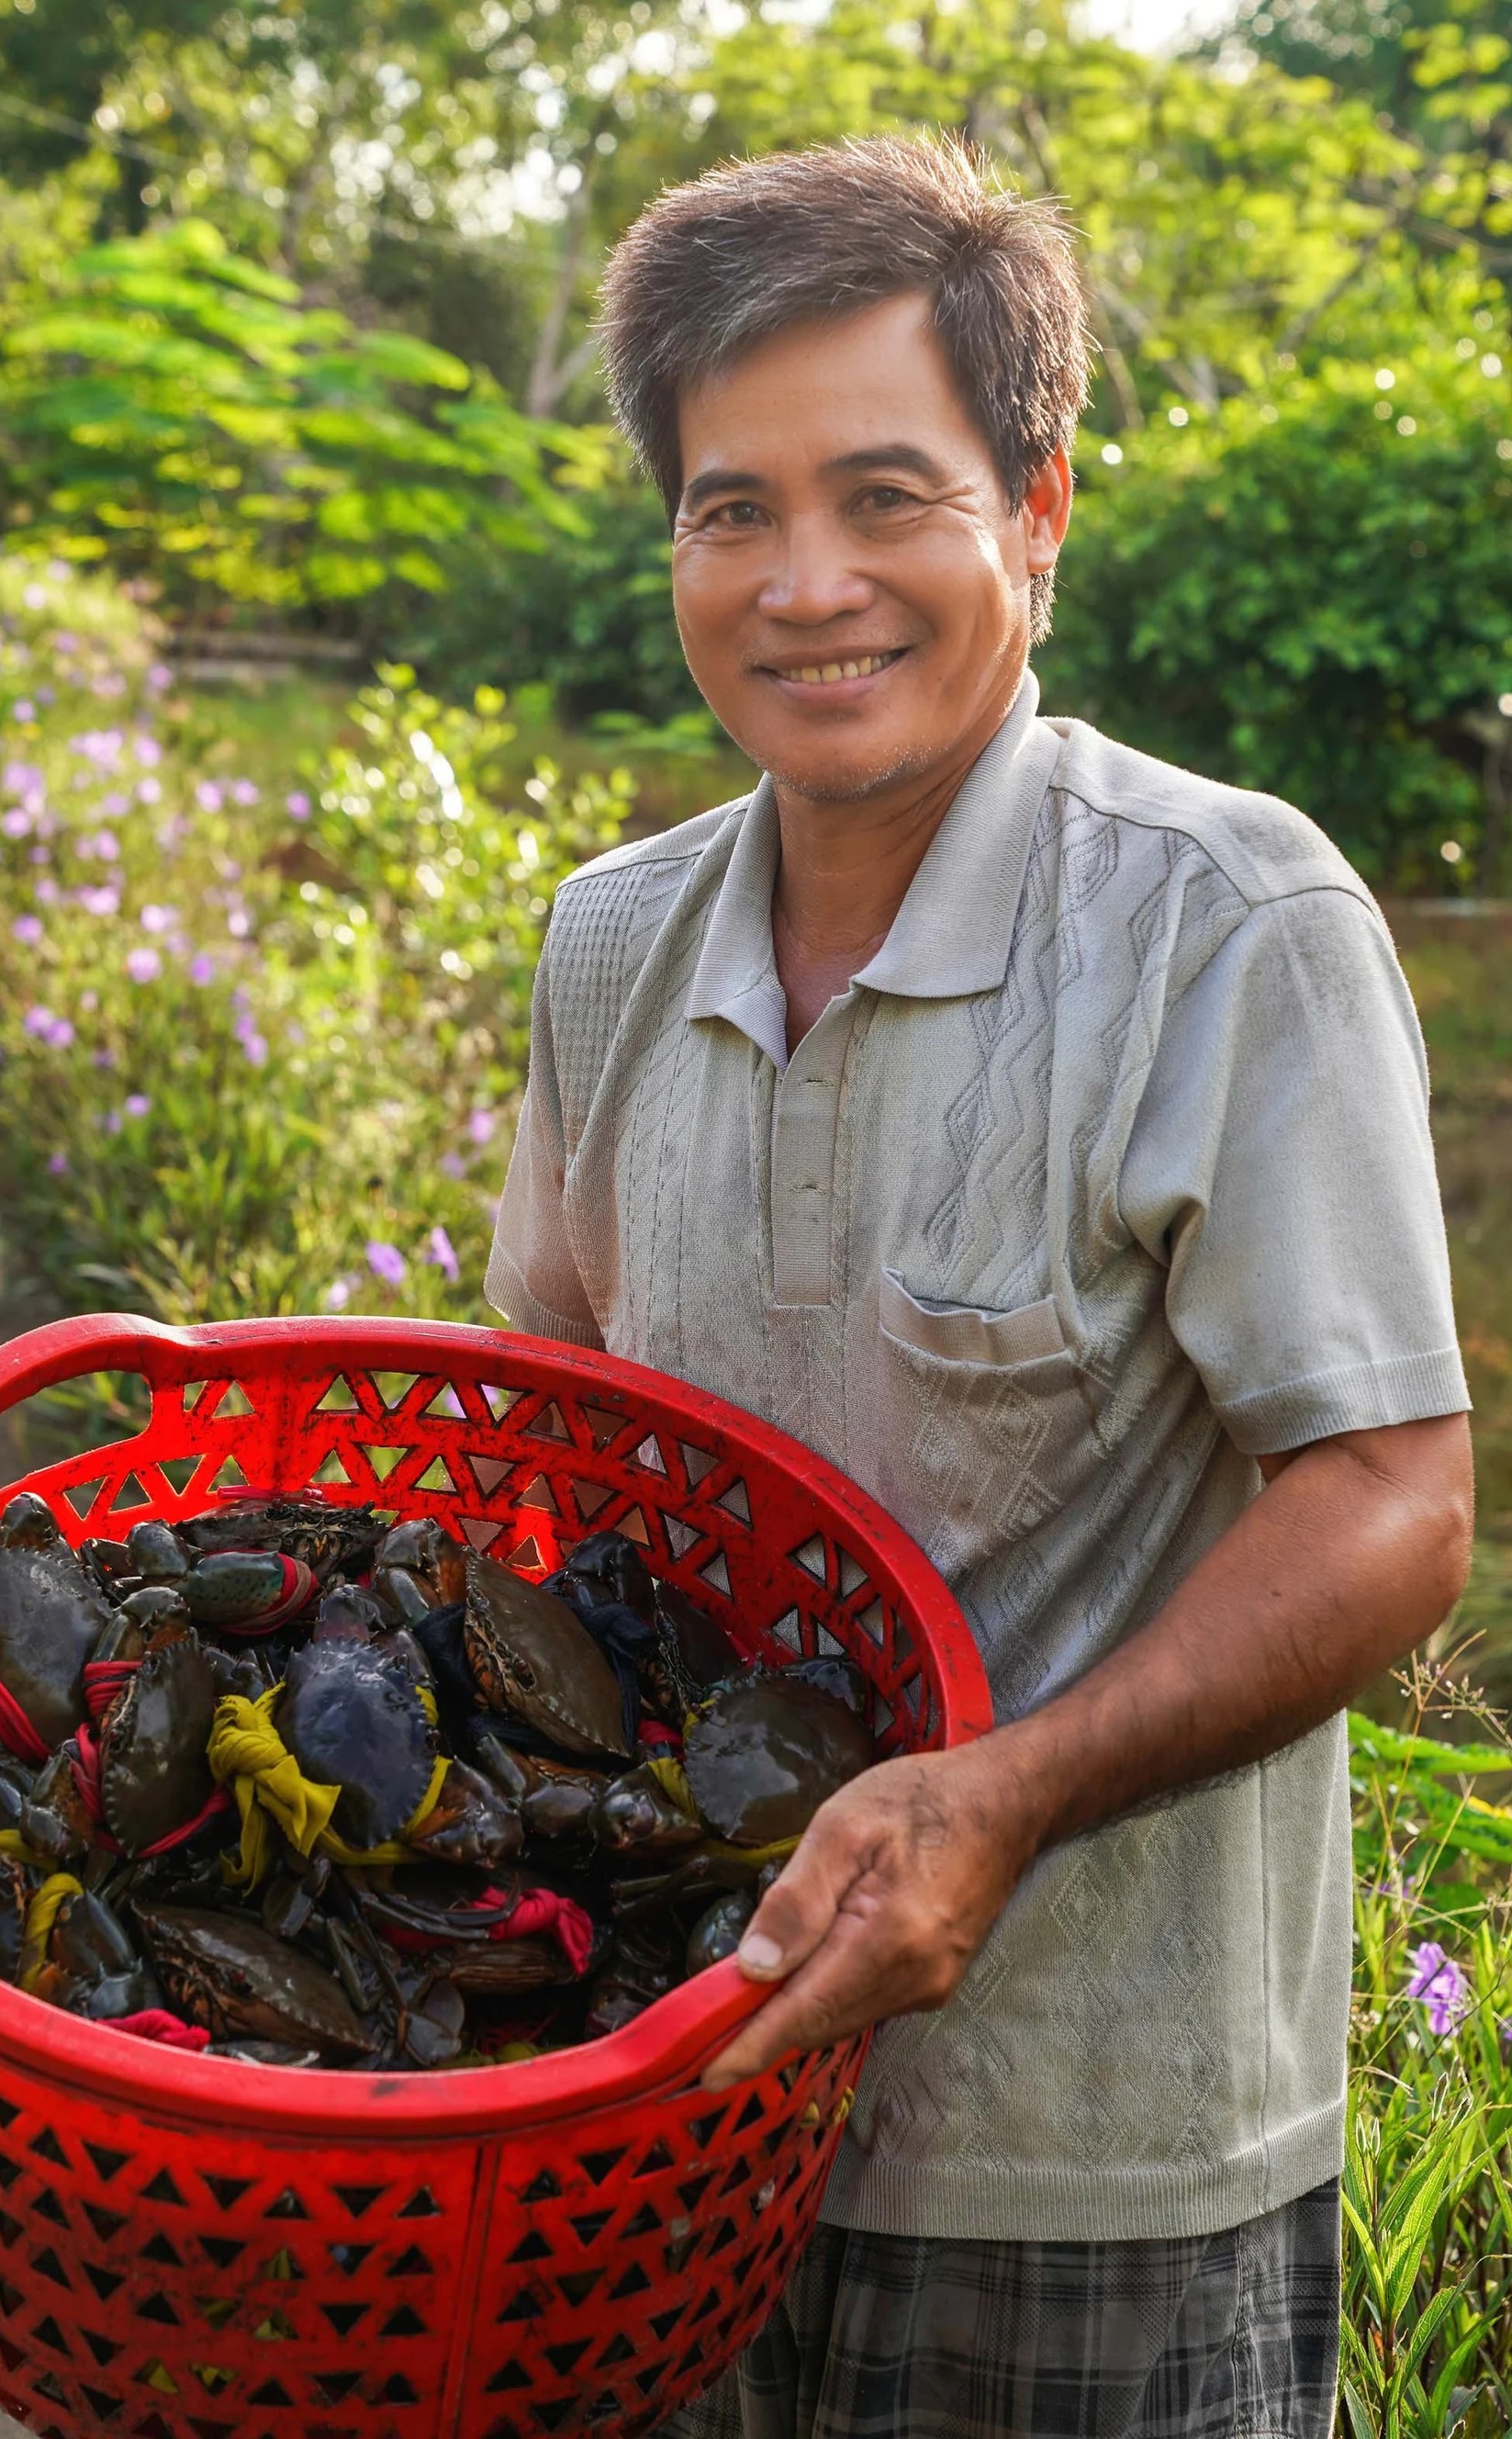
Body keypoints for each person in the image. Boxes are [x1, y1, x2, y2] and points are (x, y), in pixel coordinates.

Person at [485, 136, 1474, 2439]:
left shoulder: (1229, 924)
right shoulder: (607, 941)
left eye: (886, 497)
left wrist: (998, 1796)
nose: (803, 583)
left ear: (1036, 511)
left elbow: (1395, 1501)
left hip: (1089, 2168)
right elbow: (553, 1397)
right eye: (731, 509)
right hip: (657, 2113)